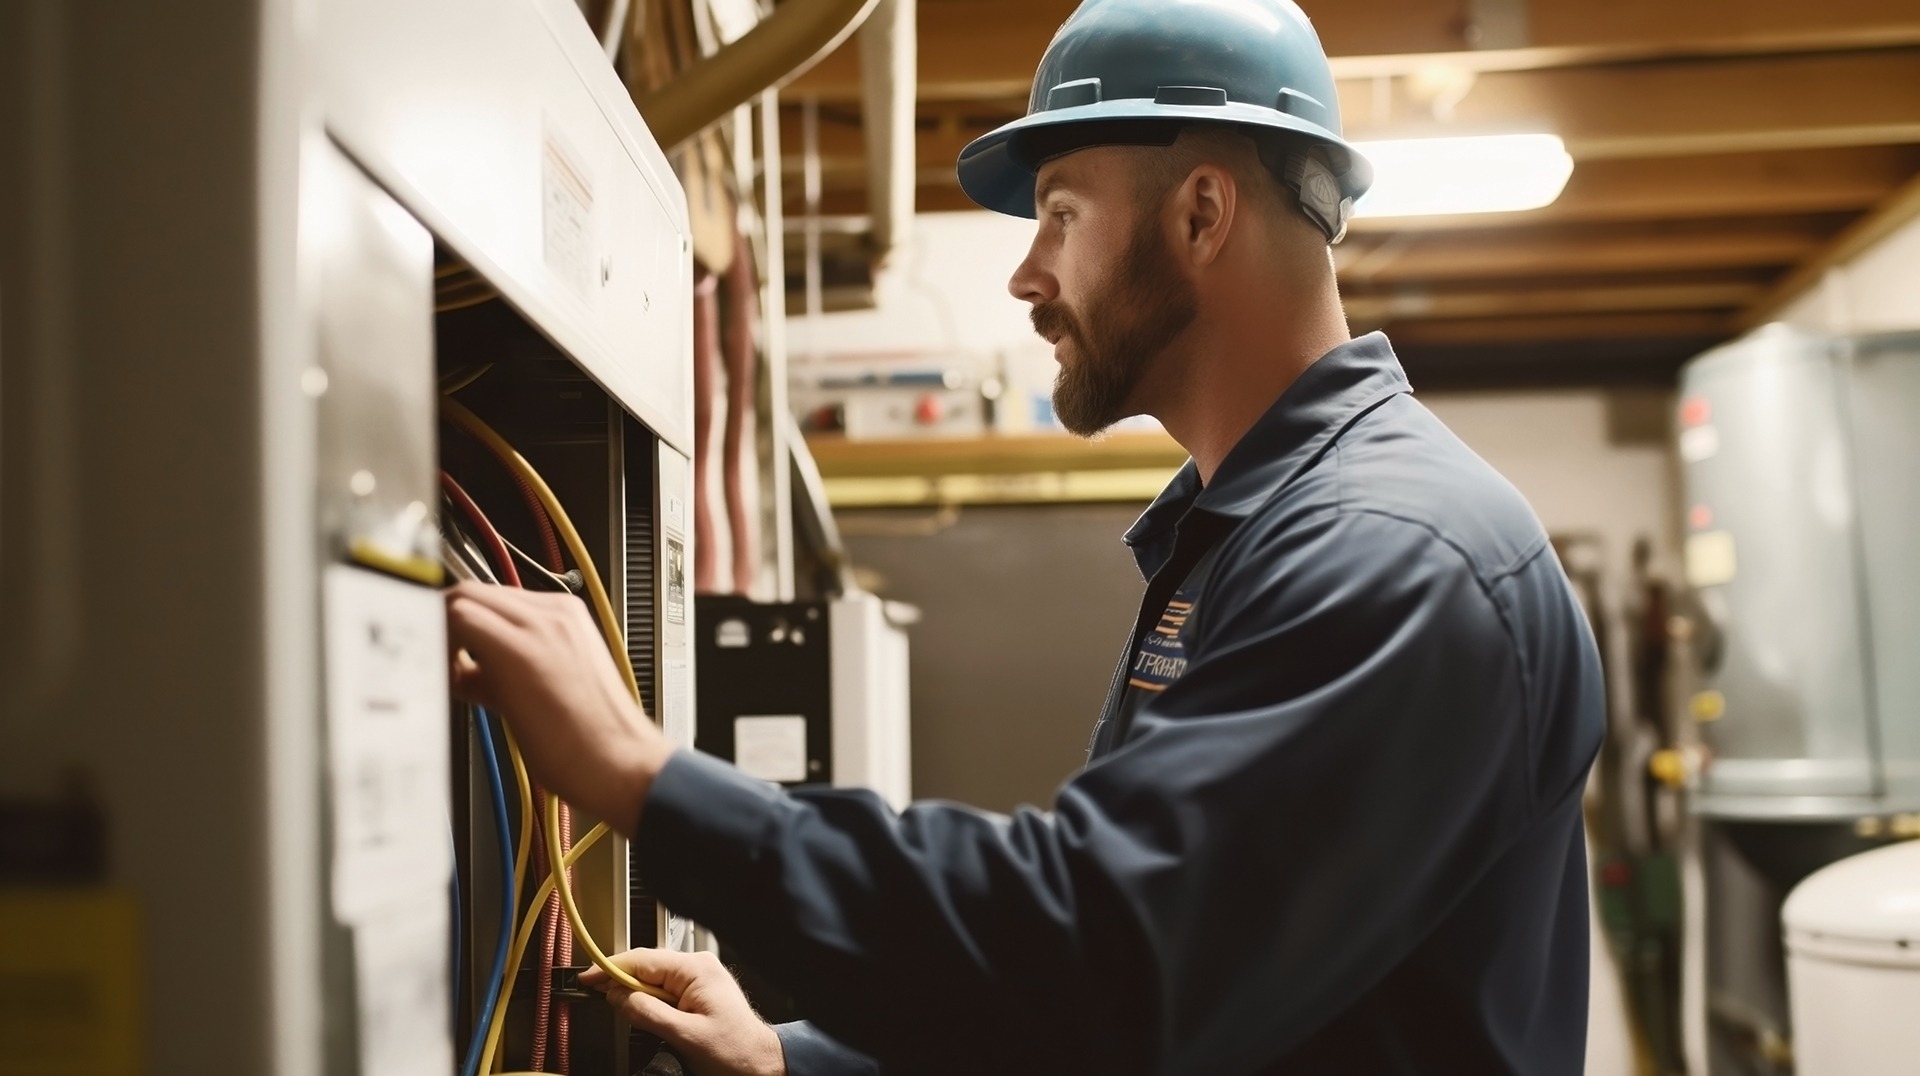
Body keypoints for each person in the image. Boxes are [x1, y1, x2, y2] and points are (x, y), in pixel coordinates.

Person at [445, 0, 1606, 1071]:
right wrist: (798, 1061)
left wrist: (648, 778)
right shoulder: (1258, 531)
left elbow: (1103, 950)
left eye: (1059, 212)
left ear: (1203, 211)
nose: (1024, 273)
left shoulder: (1394, 556)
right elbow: (1148, 1006)